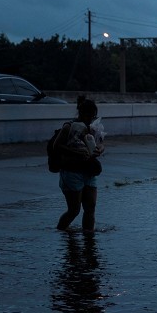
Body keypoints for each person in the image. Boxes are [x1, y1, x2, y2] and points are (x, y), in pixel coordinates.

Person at [55, 97, 105, 231]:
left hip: (88, 171)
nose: (90, 119)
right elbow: (57, 146)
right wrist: (76, 153)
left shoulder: (93, 128)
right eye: (88, 115)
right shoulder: (69, 127)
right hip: (71, 171)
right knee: (74, 210)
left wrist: (99, 149)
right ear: (81, 113)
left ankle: (89, 238)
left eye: (93, 116)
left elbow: (100, 143)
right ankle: (61, 231)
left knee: (91, 207)